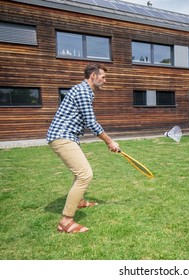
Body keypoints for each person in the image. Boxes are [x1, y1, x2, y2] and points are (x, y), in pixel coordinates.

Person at [47, 63, 120, 233]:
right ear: (92, 76)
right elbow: (90, 122)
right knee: (85, 175)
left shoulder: (84, 91)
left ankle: (78, 201)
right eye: (103, 76)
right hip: (62, 136)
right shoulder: (83, 91)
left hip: (67, 136)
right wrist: (109, 141)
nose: (105, 80)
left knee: (79, 173)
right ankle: (65, 221)